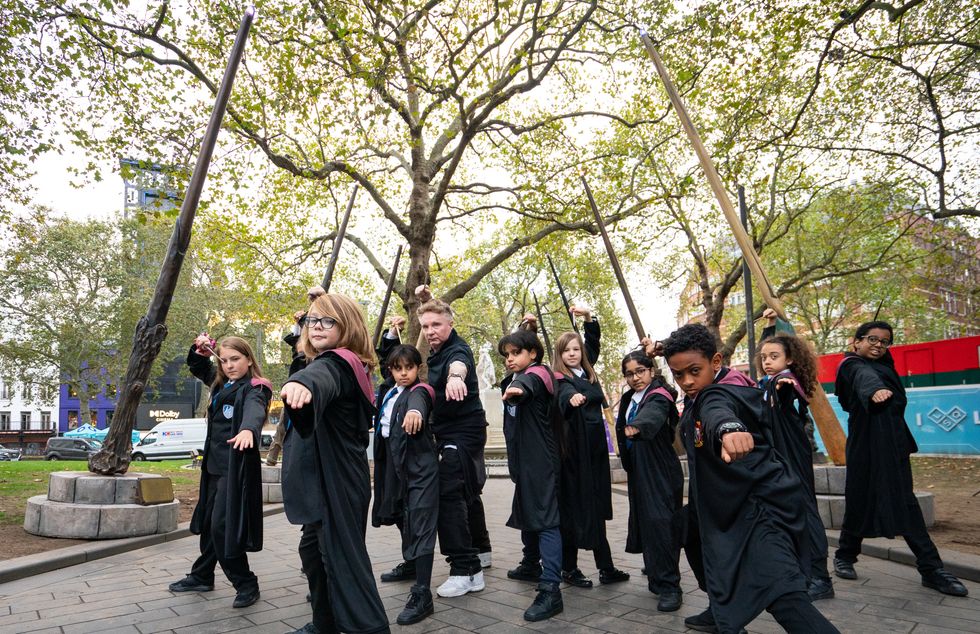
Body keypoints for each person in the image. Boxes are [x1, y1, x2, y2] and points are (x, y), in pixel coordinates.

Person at [663, 323, 839, 634]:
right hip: (727, 504)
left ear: (716, 362)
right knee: (689, 528)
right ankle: (721, 607)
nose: (687, 381)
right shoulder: (711, 388)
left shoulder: (717, 393)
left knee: (782, 594)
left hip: (760, 510)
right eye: (678, 374)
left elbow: (720, 411)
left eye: (694, 370)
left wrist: (729, 429)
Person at [832, 321, 968, 597]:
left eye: (885, 341)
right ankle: (845, 556)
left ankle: (931, 570)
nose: (878, 345)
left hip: (893, 447)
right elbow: (862, 375)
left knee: (906, 504)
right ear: (855, 342)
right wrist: (873, 391)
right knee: (859, 500)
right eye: (872, 339)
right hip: (865, 448)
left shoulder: (885, 367)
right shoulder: (850, 365)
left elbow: (878, 370)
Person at [280, 293, 390, 634]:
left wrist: (301, 383)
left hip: (336, 484)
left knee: (344, 565)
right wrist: (302, 375)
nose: (316, 327)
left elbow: (322, 377)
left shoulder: (339, 362)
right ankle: (324, 623)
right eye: (312, 320)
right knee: (314, 555)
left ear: (348, 326)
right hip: (326, 483)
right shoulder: (330, 361)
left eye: (328, 321)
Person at [383, 288, 489, 599]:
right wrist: (427, 297)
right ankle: (480, 554)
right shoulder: (437, 350)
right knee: (464, 492)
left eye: (436, 326)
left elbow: (460, 364)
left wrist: (457, 377)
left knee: (445, 492)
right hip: (446, 432)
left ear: (450, 324)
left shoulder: (458, 350)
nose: (430, 332)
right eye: (426, 326)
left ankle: (466, 570)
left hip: (463, 433)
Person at [515, 307, 629, 590]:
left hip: (596, 454)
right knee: (573, 512)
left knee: (597, 508)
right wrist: (572, 399)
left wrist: (589, 318)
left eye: (576, 349)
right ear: (559, 355)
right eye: (566, 351)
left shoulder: (588, 373)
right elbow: (562, 395)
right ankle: (569, 567)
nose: (573, 354)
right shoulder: (559, 379)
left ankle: (606, 567)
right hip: (573, 456)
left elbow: (594, 342)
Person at [169, 335, 271, 610]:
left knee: (223, 526)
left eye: (235, 359)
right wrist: (199, 350)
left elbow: (255, 408)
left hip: (235, 469)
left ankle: (246, 582)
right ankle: (202, 575)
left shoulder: (255, 387)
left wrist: (249, 429)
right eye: (223, 361)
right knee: (210, 523)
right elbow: (198, 366)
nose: (229, 365)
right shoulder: (223, 382)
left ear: (249, 359)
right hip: (214, 467)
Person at [756, 333, 835, 601]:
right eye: (764, 357)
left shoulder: (786, 381)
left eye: (774, 356)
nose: (767, 361)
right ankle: (802, 573)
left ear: (789, 359)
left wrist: (785, 383)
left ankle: (821, 579)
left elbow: (789, 385)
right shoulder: (769, 382)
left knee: (805, 511)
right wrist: (768, 326)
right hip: (780, 458)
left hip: (792, 456)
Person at [371, 344, 440, 625]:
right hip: (393, 468)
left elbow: (419, 403)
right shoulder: (388, 392)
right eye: (397, 369)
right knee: (401, 516)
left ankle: (422, 594)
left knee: (421, 525)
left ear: (418, 368)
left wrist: (415, 414)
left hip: (420, 469)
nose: (403, 373)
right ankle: (411, 564)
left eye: (408, 368)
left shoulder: (421, 391)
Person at [498, 328, 564, 621]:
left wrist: (518, 390)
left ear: (533, 353)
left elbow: (530, 383)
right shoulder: (513, 377)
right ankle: (530, 564)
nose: (510, 359)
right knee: (528, 512)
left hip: (541, 462)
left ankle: (551, 590)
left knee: (546, 520)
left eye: (516, 353)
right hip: (524, 462)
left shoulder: (539, 374)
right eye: (507, 355)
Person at [615, 350, 684, 612]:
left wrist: (638, 426)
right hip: (639, 470)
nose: (635, 378)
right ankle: (656, 568)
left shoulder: (660, 395)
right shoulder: (629, 398)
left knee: (662, 524)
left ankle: (670, 587)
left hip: (660, 470)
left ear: (651, 371)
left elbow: (653, 416)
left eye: (640, 371)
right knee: (647, 522)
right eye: (629, 374)